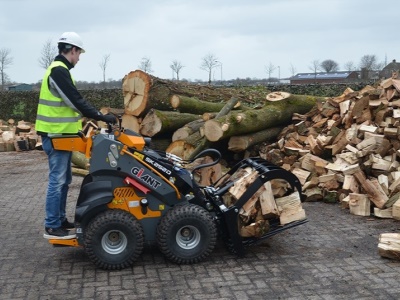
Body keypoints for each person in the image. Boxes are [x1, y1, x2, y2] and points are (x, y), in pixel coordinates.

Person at [35, 32, 116, 239]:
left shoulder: (60, 71)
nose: (79, 58)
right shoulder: (58, 71)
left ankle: (60, 219)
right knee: (58, 180)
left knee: (64, 180)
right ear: (72, 50)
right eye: (79, 53)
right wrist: (100, 116)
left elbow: (69, 105)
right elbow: (75, 101)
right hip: (55, 136)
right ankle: (52, 225)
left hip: (62, 136)